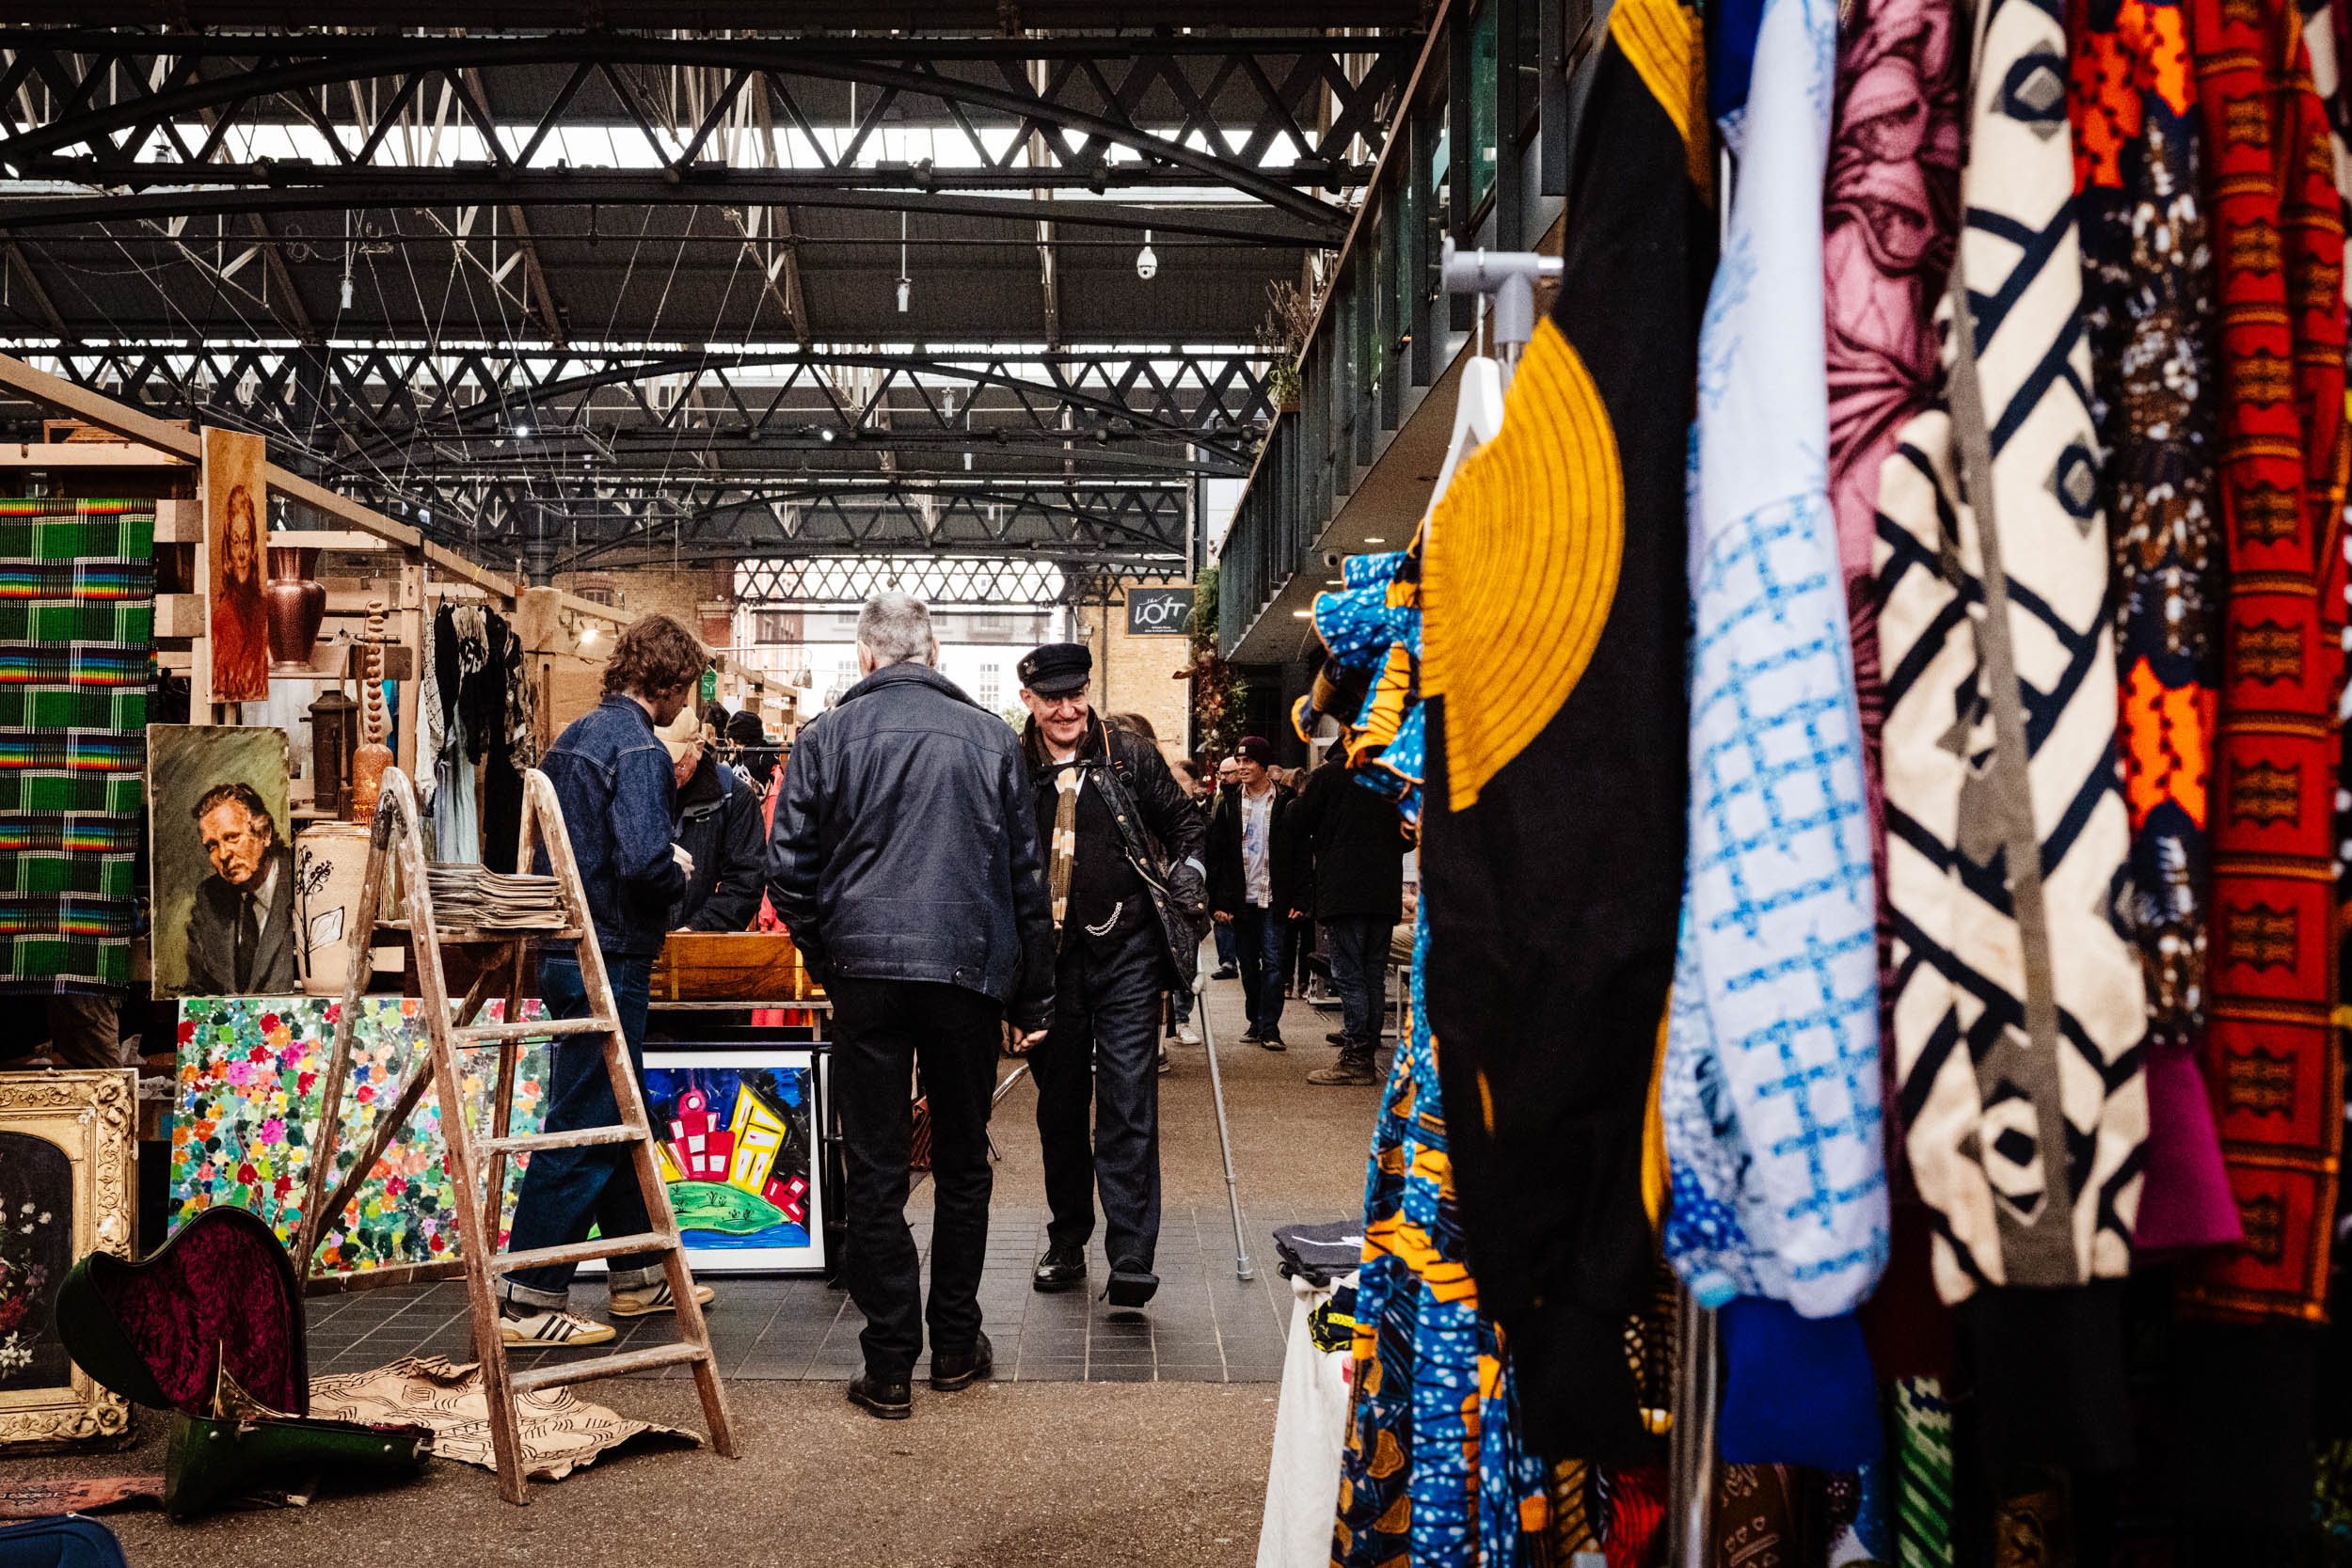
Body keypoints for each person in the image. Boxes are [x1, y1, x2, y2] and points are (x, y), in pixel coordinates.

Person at [768, 591, 1053, 1421]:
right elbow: (1024, 880)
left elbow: (788, 871)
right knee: (965, 1163)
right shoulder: (996, 740)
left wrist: (831, 955)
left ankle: (889, 1361)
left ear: (865, 655)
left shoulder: (822, 739)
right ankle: (957, 1343)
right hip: (966, 975)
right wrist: (1031, 991)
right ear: (932, 652)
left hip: (866, 976)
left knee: (878, 1166)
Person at [499, 611, 711, 1348]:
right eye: (688, 688)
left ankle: (636, 1273)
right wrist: (680, 876)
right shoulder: (641, 749)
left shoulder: (572, 740)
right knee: (590, 1120)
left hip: (563, 949)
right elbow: (644, 863)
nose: (689, 704)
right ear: (670, 681)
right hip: (611, 951)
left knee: (617, 1110)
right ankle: (526, 1296)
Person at [1018, 644, 1207, 1307]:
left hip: (1128, 951)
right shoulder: (1013, 768)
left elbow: (1186, 824)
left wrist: (1190, 877)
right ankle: (1068, 1239)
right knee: (1060, 1106)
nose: (1067, 709)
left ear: (1089, 689)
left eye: (1077, 694)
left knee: (1128, 1098)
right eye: (1053, 698)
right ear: (1030, 700)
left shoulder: (1128, 754)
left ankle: (1130, 1252)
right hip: (1050, 963)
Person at [1290, 753, 1409, 1086]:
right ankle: (1365, 1049)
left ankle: (1357, 1058)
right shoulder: (1393, 774)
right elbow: (1409, 836)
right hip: (1383, 891)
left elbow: (1297, 821)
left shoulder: (1330, 775)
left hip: (1344, 891)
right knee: (1372, 975)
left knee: (1350, 975)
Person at [1207, 736, 1300, 1048]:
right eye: (1240, 761)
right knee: (1248, 964)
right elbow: (1217, 853)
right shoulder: (1230, 803)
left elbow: (1301, 853)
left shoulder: (1285, 801)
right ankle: (1254, 1021)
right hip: (1242, 898)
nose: (1242, 767)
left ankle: (1270, 1027)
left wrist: (1301, 898)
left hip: (1273, 896)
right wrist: (1217, 902)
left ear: (1264, 765)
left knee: (1273, 963)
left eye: (1248, 762)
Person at [183, 782, 296, 994]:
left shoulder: (299, 881)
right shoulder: (209, 898)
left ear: (264, 834)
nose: (223, 855)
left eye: (232, 837)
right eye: (212, 846)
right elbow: (196, 991)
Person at [660, 708, 764, 932]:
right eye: (657, 761)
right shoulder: (635, 787)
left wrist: (698, 928)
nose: (667, 772)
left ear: (697, 748)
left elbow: (745, 882)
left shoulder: (735, 796)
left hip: (702, 945)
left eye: (677, 763)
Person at [1207, 755, 1242, 980]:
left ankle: (1234, 958)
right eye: (1221, 773)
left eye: (1228, 773)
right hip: (1222, 862)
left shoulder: (1235, 799)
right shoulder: (1220, 798)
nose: (1224, 778)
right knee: (1221, 915)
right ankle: (1228, 960)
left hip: (1238, 861)